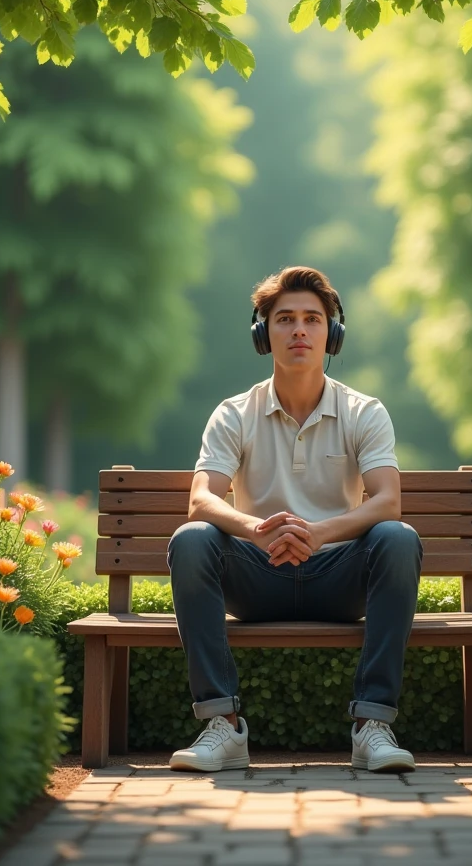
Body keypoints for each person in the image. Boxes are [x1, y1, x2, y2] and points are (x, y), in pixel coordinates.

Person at [167, 266, 423, 773]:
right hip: (258, 577)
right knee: (192, 538)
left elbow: (388, 501)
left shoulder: (364, 411)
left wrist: (319, 532)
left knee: (398, 537)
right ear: (264, 334)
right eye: (285, 319)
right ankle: (224, 726)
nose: (300, 330)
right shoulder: (233, 413)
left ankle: (372, 726)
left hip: (339, 579)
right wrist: (259, 532)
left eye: (313, 319)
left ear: (332, 333)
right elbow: (202, 500)